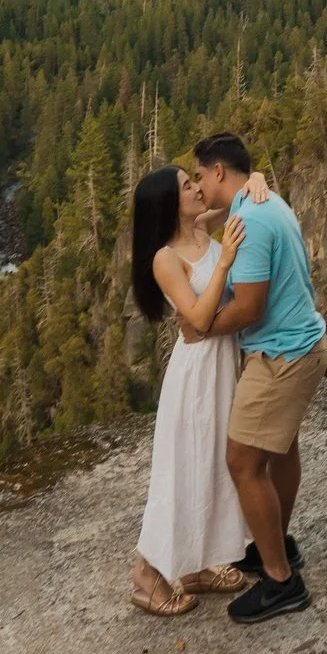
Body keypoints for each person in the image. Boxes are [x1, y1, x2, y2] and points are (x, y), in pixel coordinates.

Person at [195, 132, 325, 625]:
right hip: (302, 345)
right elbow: (206, 216)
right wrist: (253, 182)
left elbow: (249, 307)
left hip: (280, 355)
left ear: (219, 172)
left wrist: (200, 325)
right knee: (282, 450)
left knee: (243, 461)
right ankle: (279, 545)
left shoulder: (249, 218)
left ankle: (281, 582)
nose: (200, 186)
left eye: (201, 175)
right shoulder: (262, 201)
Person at [127, 162, 268, 614]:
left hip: (221, 365)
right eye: (188, 186)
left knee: (212, 467)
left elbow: (242, 196)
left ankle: (196, 564)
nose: (198, 189)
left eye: (194, 181)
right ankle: (146, 576)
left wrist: (258, 180)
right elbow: (200, 318)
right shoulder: (165, 258)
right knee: (183, 471)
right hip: (196, 376)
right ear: (171, 204)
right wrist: (225, 260)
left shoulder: (202, 227)